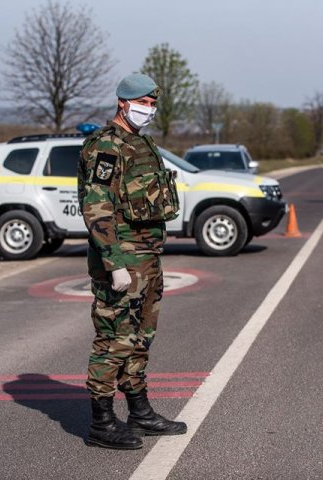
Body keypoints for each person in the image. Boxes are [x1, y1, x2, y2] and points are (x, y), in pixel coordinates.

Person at [77, 73, 187, 450]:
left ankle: (139, 412)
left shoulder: (141, 143)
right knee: (113, 339)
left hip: (148, 257)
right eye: (144, 102)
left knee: (140, 337)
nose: (149, 110)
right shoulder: (106, 146)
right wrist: (113, 261)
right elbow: (96, 207)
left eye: (154, 104)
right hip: (123, 258)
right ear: (123, 102)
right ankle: (101, 423)